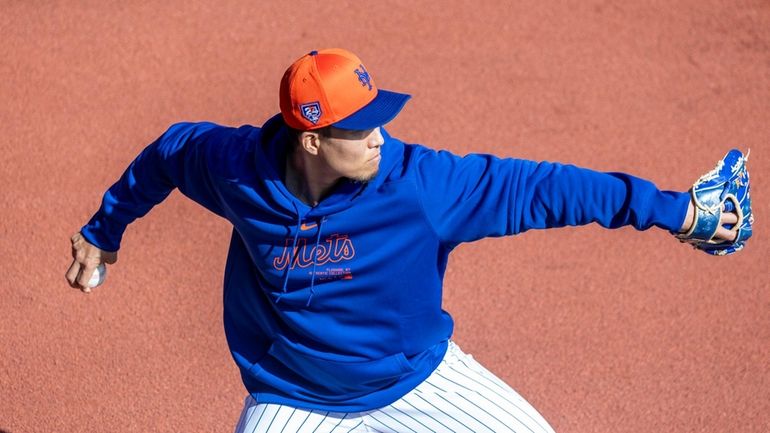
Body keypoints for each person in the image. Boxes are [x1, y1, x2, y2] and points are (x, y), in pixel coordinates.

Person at [66, 48, 741, 433]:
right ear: (310, 140)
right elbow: (167, 152)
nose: (380, 136)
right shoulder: (236, 168)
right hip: (295, 400)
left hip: (418, 381)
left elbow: (548, 189)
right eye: (361, 129)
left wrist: (673, 211)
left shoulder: (421, 185)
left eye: (379, 118)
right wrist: (106, 227)